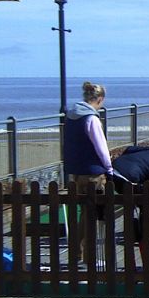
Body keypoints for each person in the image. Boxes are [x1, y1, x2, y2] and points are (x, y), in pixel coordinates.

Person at [63, 81, 112, 261]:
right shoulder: (92, 119)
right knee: (92, 215)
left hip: (75, 172)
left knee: (80, 214)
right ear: (99, 99)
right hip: (93, 173)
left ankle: (76, 253)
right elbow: (101, 148)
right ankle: (89, 257)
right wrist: (109, 168)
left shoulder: (71, 116)